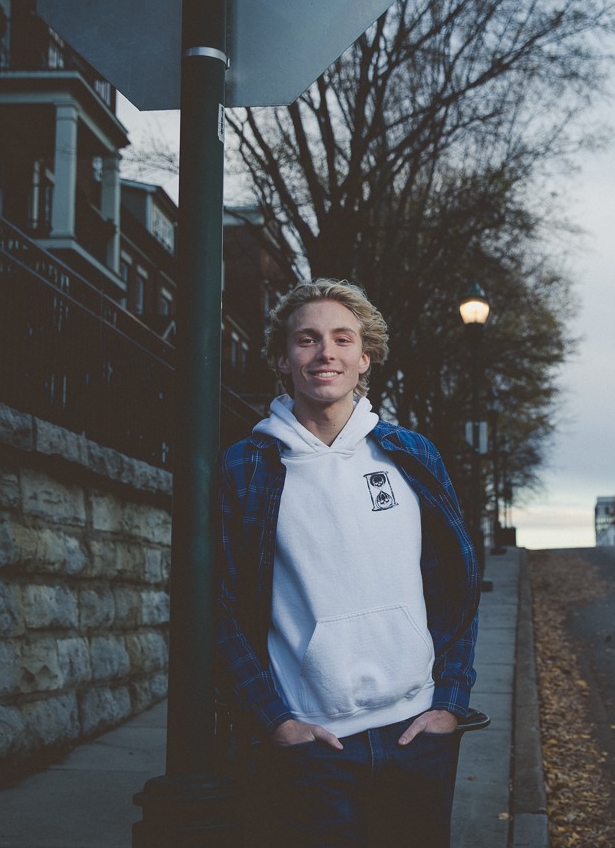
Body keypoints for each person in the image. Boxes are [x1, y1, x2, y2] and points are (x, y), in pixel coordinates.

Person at [215, 278, 481, 846]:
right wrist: (276, 722)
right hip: (314, 747)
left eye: (341, 339)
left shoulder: (411, 456)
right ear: (283, 360)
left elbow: (458, 589)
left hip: (418, 736)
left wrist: (450, 706)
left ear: (365, 358)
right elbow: (220, 608)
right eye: (307, 340)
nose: (325, 353)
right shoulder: (247, 467)